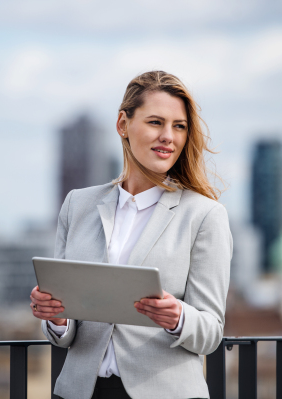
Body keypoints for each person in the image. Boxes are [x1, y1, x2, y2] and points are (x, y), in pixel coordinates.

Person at [30, 71, 232, 399]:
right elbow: (65, 334)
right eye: (155, 122)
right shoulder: (77, 205)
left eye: (179, 126)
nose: (169, 136)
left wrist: (178, 317)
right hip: (79, 391)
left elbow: (210, 333)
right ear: (123, 124)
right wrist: (56, 316)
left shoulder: (205, 216)